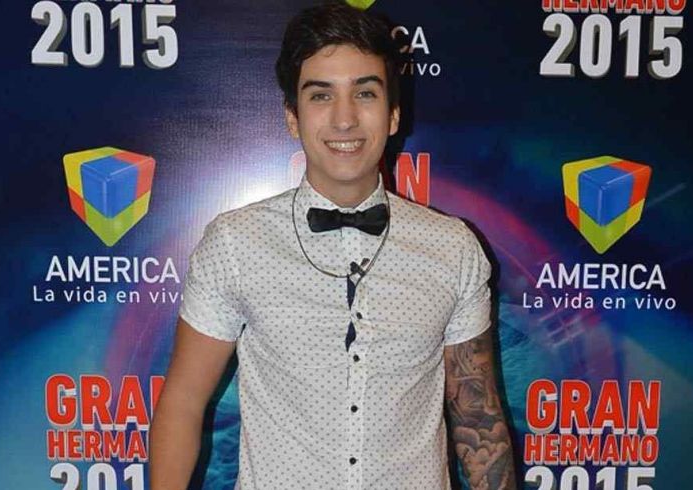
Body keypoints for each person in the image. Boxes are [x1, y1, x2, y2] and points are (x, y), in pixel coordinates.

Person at [150, 3, 516, 489]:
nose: (345, 119)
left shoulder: (453, 249)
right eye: (321, 95)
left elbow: (479, 419)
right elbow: (183, 403)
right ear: (293, 117)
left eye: (365, 93)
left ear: (393, 115)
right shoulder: (235, 244)